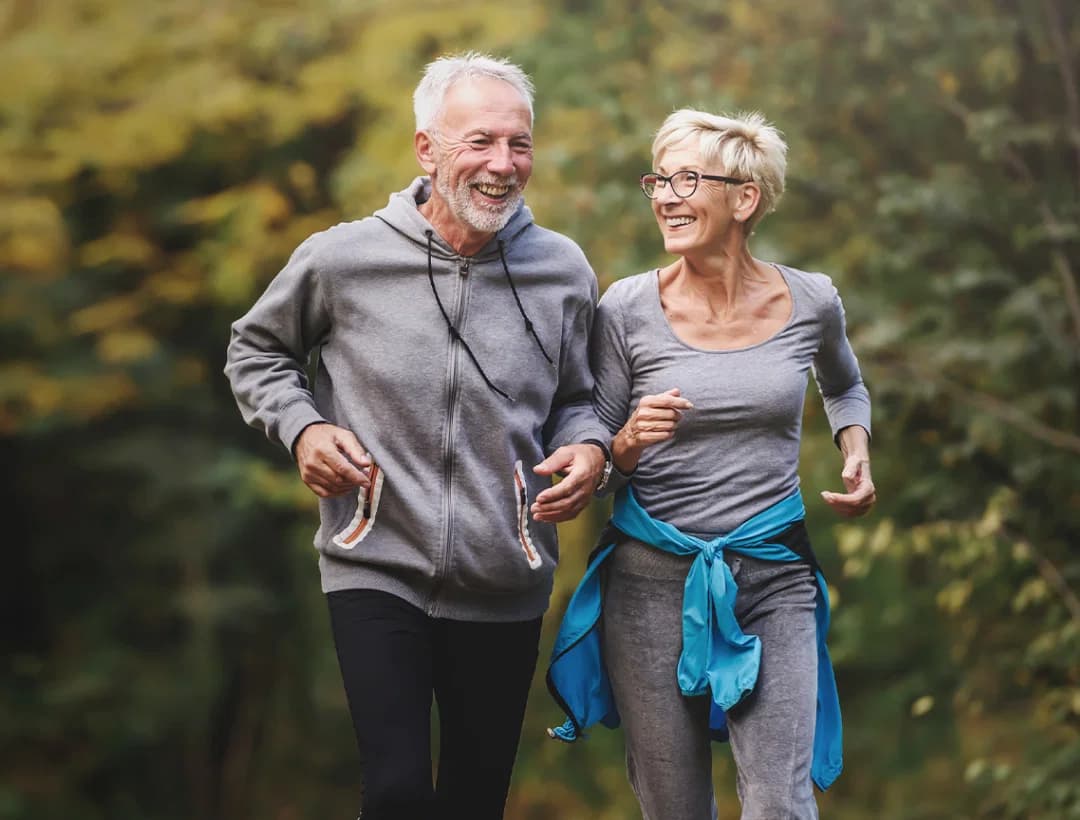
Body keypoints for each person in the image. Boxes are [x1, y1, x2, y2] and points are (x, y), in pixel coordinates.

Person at [224, 52, 612, 820]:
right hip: (375, 562)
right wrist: (303, 430)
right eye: (481, 142)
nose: (504, 164)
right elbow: (256, 350)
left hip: (507, 574)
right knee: (398, 790)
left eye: (520, 144)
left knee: (474, 799)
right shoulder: (343, 259)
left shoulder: (563, 270)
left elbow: (586, 395)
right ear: (426, 149)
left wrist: (592, 450)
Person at [546, 109, 876, 820]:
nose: (664, 195)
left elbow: (844, 383)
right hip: (649, 584)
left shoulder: (811, 299)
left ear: (744, 198)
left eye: (687, 179)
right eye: (658, 180)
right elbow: (597, 448)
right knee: (675, 807)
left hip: (773, 576)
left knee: (780, 803)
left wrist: (856, 449)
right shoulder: (627, 307)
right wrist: (630, 440)